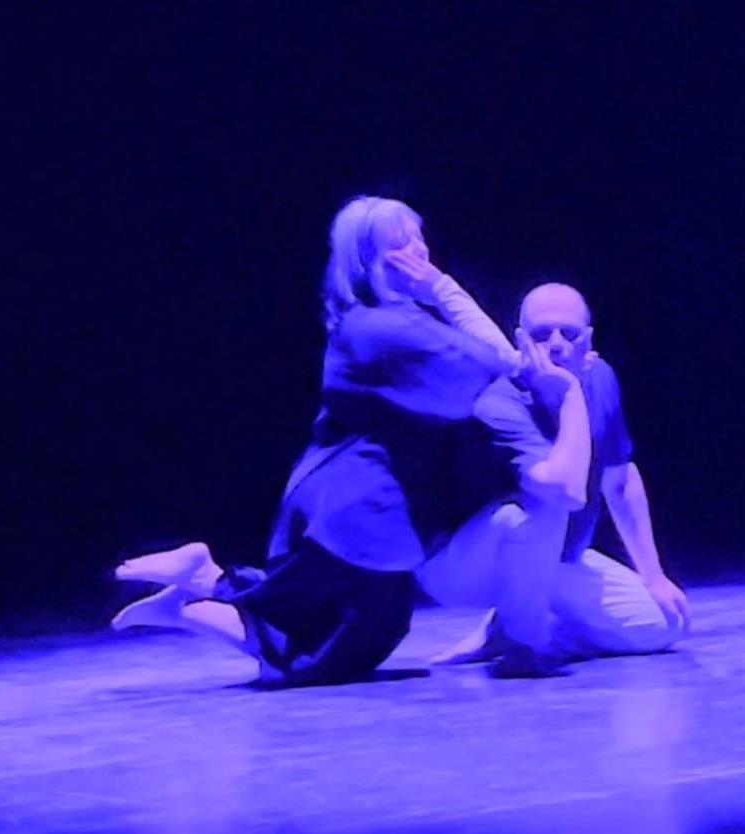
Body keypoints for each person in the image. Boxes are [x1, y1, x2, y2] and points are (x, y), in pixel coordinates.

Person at [110, 196, 558, 684]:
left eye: (419, 237)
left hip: (358, 507)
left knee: (347, 627)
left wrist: (435, 291)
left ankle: (205, 579)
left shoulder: (378, 322)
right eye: (401, 243)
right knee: (316, 647)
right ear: (370, 260)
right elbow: (501, 363)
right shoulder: (387, 328)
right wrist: (441, 287)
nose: (419, 250)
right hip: (360, 509)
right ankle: (191, 601)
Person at [433, 283, 692, 666]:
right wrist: (570, 393)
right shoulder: (500, 401)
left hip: (557, 559)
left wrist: (653, 575)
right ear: (521, 340)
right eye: (542, 334)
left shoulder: (600, 377)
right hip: (475, 566)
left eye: (568, 333)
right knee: (545, 508)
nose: (556, 344)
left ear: (588, 339)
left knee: (665, 624)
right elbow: (563, 490)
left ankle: (526, 625)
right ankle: (519, 636)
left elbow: (620, 480)